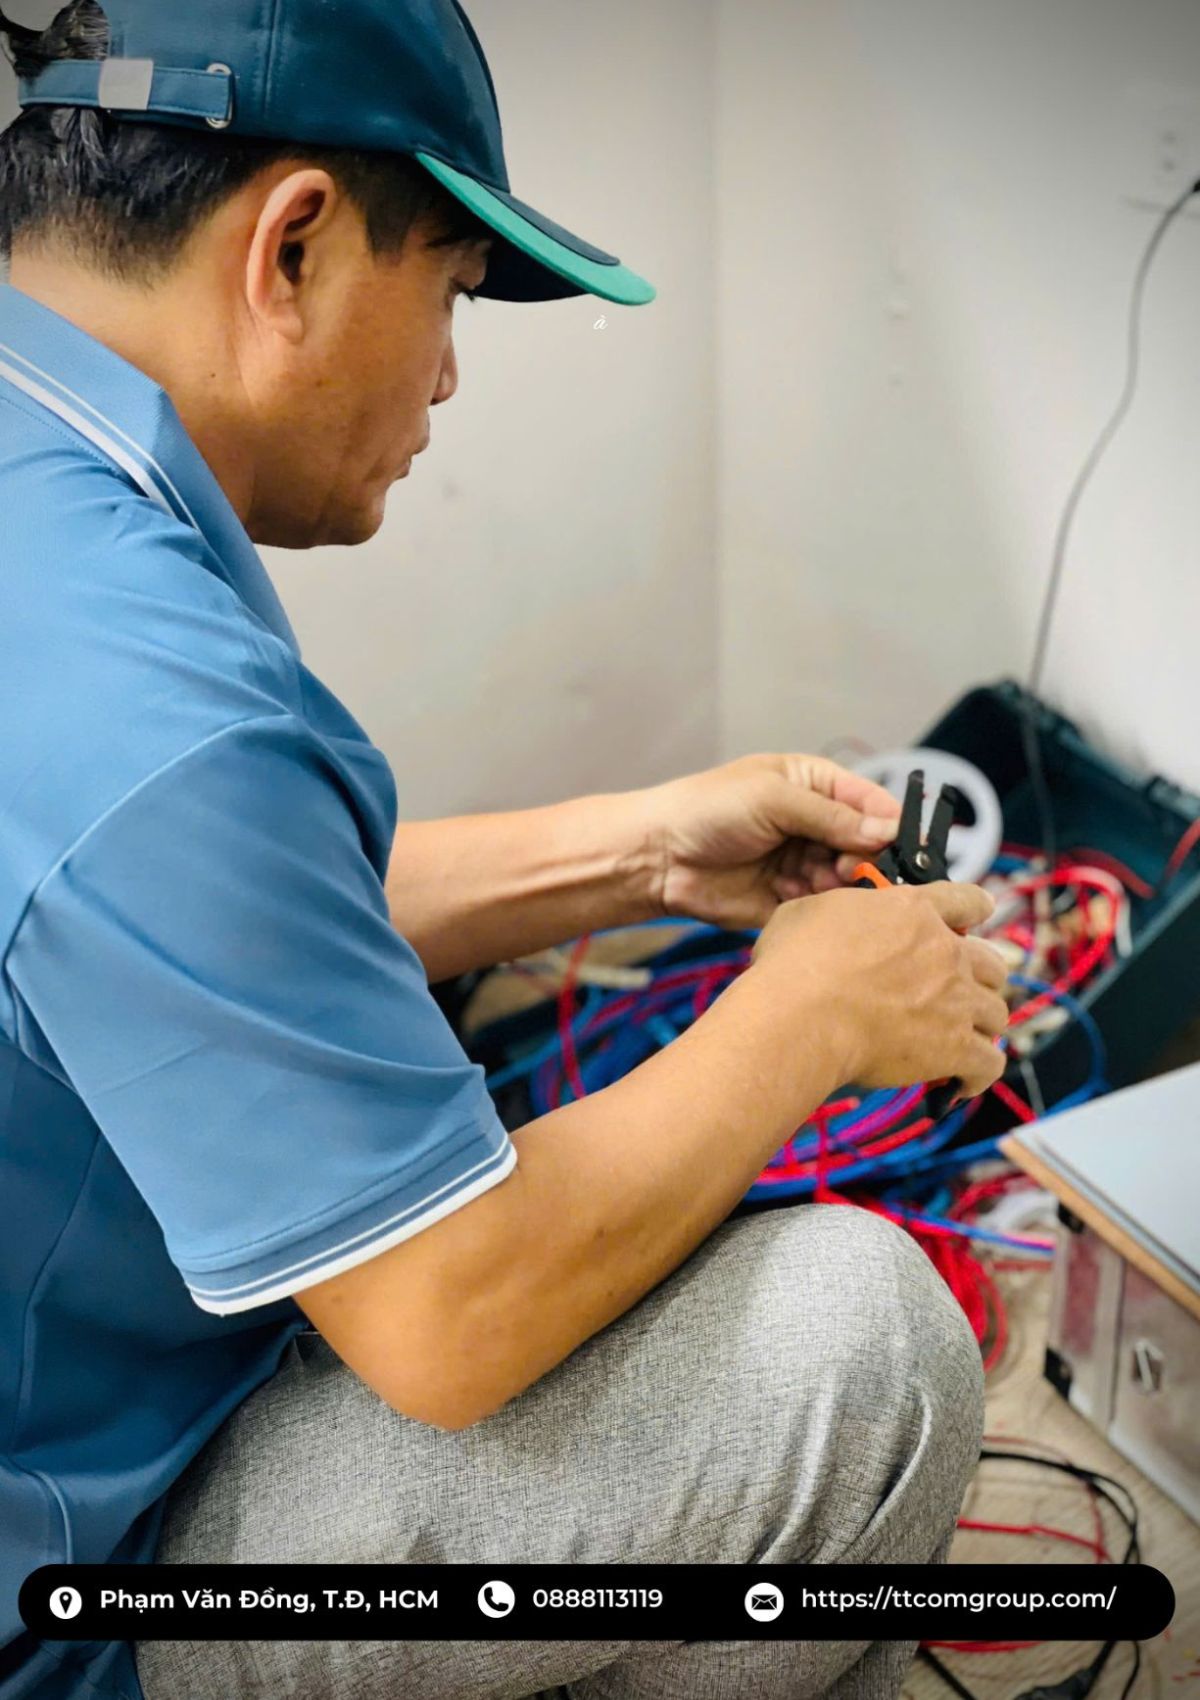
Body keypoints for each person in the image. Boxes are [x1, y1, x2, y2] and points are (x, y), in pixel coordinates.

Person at [0, 3, 1009, 1698]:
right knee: (865, 1342)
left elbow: (203, 935)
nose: (450, 375)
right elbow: (448, 1319)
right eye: (456, 290)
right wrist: (812, 1016)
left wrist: (643, 855)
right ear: (292, 247)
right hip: (75, 1583)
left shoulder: (45, 504)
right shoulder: (151, 701)